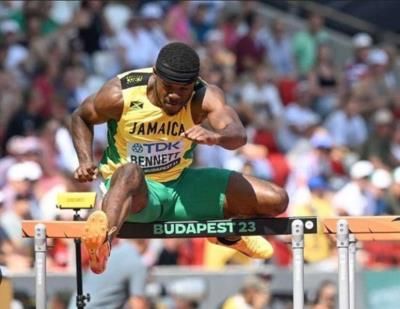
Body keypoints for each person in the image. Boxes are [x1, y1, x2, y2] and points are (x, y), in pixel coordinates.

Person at [71, 42, 289, 274]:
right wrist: (85, 160)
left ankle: (228, 236)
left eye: (183, 89)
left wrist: (215, 136)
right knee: (130, 170)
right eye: (168, 86)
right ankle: (102, 246)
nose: (175, 95)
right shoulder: (119, 95)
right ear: (155, 75)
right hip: (138, 195)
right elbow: (81, 117)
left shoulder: (204, 96)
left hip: (181, 186)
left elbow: (238, 135)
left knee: (276, 199)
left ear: (194, 83)